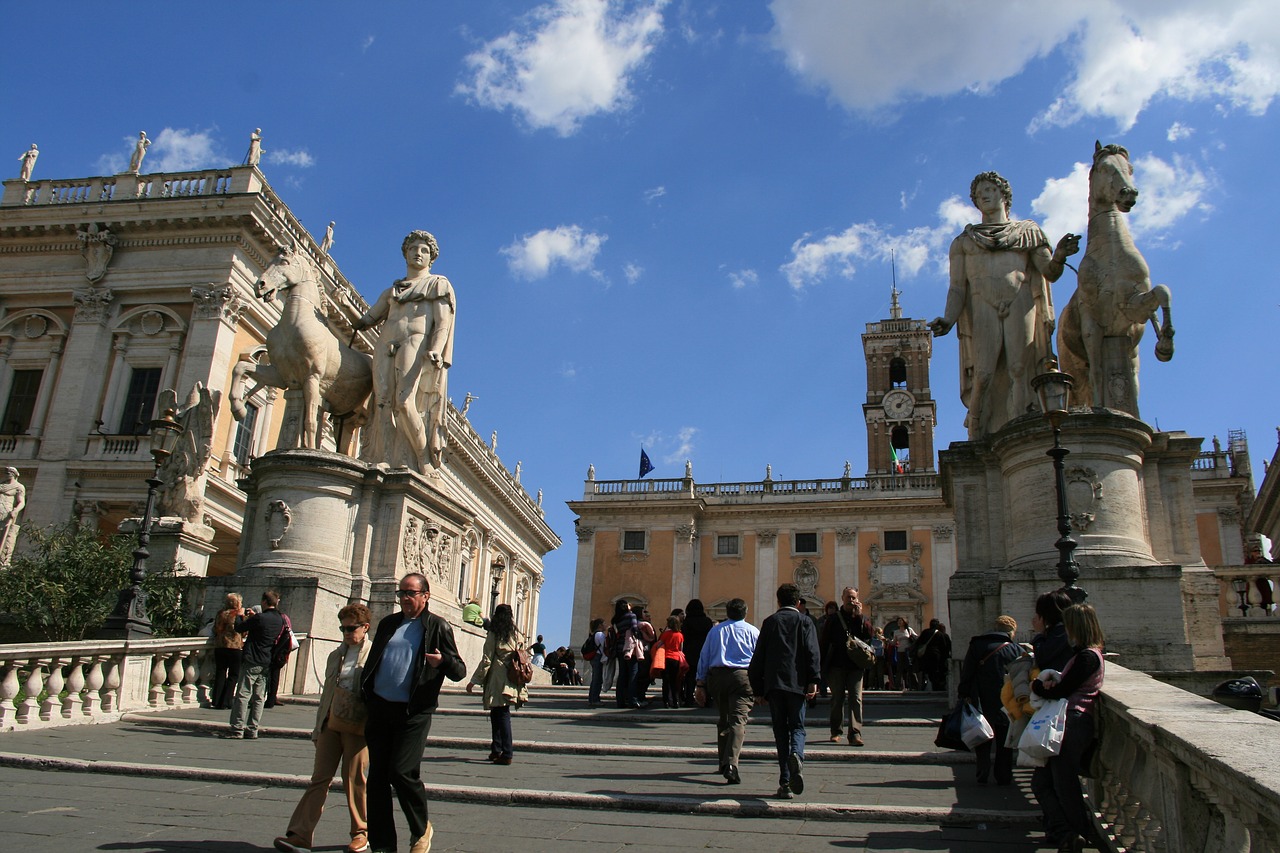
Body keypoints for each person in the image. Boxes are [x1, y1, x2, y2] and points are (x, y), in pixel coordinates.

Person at [930, 171, 1080, 438]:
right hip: (983, 306)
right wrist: (948, 318)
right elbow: (957, 287)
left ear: (1003, 194)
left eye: (989, 189)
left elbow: (1050, 272)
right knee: (984, 373)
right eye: (978, 194)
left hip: (1020, 301)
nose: (984, 195)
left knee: (1020, 369)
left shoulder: (1028, 233)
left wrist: (1058, 255)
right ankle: (977, 429)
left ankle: (1020, 426)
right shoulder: (964, 242)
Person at [360, 572, 466, 853]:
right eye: (402, 594)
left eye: (411, 593)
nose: (405, 598)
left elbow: (459, 670)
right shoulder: (388, 624)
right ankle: (382, 845)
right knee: (377, 779)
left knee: (402, 771)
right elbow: (374, 661)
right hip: (381, 708)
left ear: (425, 596)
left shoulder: (437, 627)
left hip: (414, 711)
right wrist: (366, 694)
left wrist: (442, 661)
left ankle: (421, 829)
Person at [353, 231, 455, 475]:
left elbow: (442, 323)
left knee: (404, 400)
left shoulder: (437, 284)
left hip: (415, 341)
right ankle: (383, 457)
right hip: (386, 342)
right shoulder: (392, 291)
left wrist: (436, 349)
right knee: (381, 402)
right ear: (405, 254)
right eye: (413, 249)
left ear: (431, 258)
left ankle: (423, 459)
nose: (418, 254)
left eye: (424, 251)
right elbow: (367, 318)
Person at [274, 603, 374, 853]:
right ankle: (300, 834)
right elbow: (327, 693)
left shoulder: (374, 654)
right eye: (343, 628)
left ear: (365, 627)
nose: (347, 633)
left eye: (352, 628)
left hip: (357, 724)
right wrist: (318, 728)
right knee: (319, 779)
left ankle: (361, 833)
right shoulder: (335, 655)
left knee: (355, 780)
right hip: (331, 721)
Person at [1032, 604, 1106, 852]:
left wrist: (1038, 687)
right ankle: (1065, 831)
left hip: (1073, 721)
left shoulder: (1087, 656)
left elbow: (1064, 690)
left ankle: (1076, 833)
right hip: (1069, 720)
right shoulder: (1084, 655)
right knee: (1043, 782)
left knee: (1064, 783)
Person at [749, 584, 821, 800]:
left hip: (774, 685)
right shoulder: (805, 621)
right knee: (798, 727)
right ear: (798, 603)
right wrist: (813, 680)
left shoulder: (770, 622)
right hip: (797, 684)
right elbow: (812, 653)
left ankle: (785, 782)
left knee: (780, 732)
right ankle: (797, 755)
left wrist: (758, 689)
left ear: (778, 601)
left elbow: (758, 658)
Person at [694, 598, 758, 785]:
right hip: (743, 677)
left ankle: (723, 762)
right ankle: (731, 763)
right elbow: (759, 659)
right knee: (738, 720)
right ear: (745, 612)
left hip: (718, 677)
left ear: (727, 613)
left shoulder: (715, 631)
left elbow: (704, 657)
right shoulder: (753, 631)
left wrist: (700, 683)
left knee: (723, 719)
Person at [957, 615, 1023, 787]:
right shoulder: (1015, 649)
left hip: (980, 696)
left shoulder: (977, 644)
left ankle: (983, 770)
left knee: (982, 733)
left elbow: (968, 671)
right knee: (1004, 737)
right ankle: (1003, 775)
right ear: (1011, 632)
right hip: (1006, 699)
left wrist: (963, 691)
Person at [466, 603, 527, 766]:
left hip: (498, 675)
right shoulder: (516, 633)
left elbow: (487, 658)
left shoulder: (494, 632)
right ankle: (496, 749)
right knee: (498, 713)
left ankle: (507, 752)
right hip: (512, 676)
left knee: (501, 714)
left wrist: (474, 680)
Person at [223, 590, 286, 738]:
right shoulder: (280, 619)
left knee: (243, 694)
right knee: (258, 697)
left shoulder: (260, 618)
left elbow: (239, 627)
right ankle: (252, 729)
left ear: (264, 602)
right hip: (267, 660)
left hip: (252, 659)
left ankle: (237, 728)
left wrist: (240, 614)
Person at [818, 586, 872, 746]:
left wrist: (860, 616)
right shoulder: (834, 619)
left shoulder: (862, 619)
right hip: (836, 664)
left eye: (854, 597)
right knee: (837, 698)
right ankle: (836, 730)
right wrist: (821, 664)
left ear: (858, 599)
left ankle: (855, 733)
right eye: (848, 597)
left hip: (856, 665)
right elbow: (825, 641)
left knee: (856, 698)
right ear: (842, 598)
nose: (851, 600)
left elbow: (869, 635)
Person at [211, 593, 246, 710]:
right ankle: (226, 701)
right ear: (237, 603)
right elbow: (244, 631)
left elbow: (215, 628)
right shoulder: (238, 614)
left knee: (220, 672)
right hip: (235, 647)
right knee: (233, 675)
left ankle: (216, 699)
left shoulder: (220, 613)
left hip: (220, 646)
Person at [679, 599, 713, 706]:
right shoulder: (707, 621)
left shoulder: (687, 622)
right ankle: (707, 700)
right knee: (706, 676)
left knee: (690, 677)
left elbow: (685, 638)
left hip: (690, 651)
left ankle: (689, 699)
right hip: (704, 651)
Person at [914, 619, 952, 692]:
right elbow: (945, 647)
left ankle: (926, 686)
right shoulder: (940, 634)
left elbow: (918, 642)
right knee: (936, 672)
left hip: (926, 656)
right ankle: (936, 687)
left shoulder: (925, 632)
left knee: (927, 672)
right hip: (937, 656)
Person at [0, 466, 26, 565]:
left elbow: (21, 502)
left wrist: (16, 511)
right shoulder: (1, 485)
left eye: (9, 473)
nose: (7, 475)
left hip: (6, 513)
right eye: (6, 473)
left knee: (3, 535)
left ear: (14, 474)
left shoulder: (19, 487)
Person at [658, 615, 685, 708]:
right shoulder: (680, 635)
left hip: (666, 658)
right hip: (676, 659)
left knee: (665, 681)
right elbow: (681, 649)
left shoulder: (665, 634)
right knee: (674, 681)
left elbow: (659, 645)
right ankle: (675, 701)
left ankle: (665, 701)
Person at [891, 617, 919, 690]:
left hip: (908, 652)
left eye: (900, 621)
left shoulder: (909, 630)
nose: (899, 622)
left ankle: (915, 686)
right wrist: (887, 641)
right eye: (898, 621)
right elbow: (894, 642)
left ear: (904, 622)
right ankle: (898, 686)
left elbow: (916, 638)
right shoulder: (896, 632)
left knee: (910, 670)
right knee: (899, 670)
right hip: (900, 651)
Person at [586, 618, 606, 706]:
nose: (605, 625)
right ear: (600, 625)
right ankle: (595, 700)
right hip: (598, 657)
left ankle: (592, 699)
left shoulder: (594, 634)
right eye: (604, 624)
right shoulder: (600, 634)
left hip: (594, 657)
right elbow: (604, 646)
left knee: (595, 679)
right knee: (597, 679)